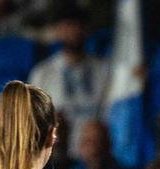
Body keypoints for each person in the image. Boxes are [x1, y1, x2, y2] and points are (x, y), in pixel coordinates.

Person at [27, 5, 109, 147]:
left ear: (87, 29)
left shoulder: (104, 70)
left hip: (95, 152)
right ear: (58, 30)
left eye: (79, 25)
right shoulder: (42, 72)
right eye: (68, 26)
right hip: (56, 154)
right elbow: (34, 120)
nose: (74, 31)